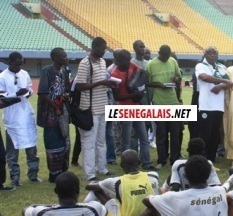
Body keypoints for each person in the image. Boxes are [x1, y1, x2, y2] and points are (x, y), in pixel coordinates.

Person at [108, 155, 231, 216]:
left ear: (186, 176)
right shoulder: (220, 191)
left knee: (154, 209)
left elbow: (146, 201)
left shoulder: (176, 197)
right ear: (209, 174)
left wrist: (168, 206)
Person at [84, 150, 159, 216]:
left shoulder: (116, 182)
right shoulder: (153, 176)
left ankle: (84, 213)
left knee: (96, 190)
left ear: (122, 165)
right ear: (139, 163)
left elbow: (88, 186)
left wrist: (98, 183)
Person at [76, 37, 115, 180]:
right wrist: (101, 82)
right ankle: (90, 174)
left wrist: (108, 83)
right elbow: (80, 86)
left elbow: (100, 83)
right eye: (102, 48)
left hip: (102, 107)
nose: (104, 51)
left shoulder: (103, 62)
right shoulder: (85, 63)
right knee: (89, 143)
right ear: (94, 47)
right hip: (89, 110)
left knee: (100, 142)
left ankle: (102, 168)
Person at [0, 52, 40, 187]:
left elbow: (30, 89)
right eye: (17, 64)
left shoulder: (24, 73)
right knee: (12, 153)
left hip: (26, 115)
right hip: (12, 119)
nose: (19, 67)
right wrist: (16, 94)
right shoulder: (2, 77)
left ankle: (33, 175)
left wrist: (27, 93)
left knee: (31, 148)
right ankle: (15, 178)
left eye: (21, 64)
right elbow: (2, 98)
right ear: (10, 63)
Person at [111, 49, 152, 170]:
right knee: (126, 141)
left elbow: (142, 72)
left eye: (129, 59)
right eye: (126, 60)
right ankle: (127, 165)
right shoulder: (114, 74)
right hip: (125, 109)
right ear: (119, 60)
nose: (129, 62)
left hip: (137, 107)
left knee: (144, 138)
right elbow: (116, 97)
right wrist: (134, 95)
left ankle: (146, 163)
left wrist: (139, 86)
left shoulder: (132, 66)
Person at [37, 47, 71, 183]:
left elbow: (66, 89)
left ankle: (62, 171)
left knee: (64, 142)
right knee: (53, 143)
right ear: (56, 58)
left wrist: (66, 97)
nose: (66, 58)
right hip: (49, 114)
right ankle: (54, 174)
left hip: (61, 113)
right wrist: (54, 107)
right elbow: (42, 93)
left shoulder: (63, 72)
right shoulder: (47, 71)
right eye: (63, 56)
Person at [146, 45, 182, 169]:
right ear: (159, 53)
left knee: (175, 134)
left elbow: (179, 78)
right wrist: (159, 85)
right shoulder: (151, 64)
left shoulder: (173, 61)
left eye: (168, 56)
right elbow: (146, 82)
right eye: (164, 56)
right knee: (161, 134)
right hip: (159, 103)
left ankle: (175, 160)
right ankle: (162, 160)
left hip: (173, 102)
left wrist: (176, 79)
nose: (166, 58)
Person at [196, 47, 233, 163]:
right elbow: (204, 77)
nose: (212, 55)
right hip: (206, 106)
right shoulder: (201, 66)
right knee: (205, 133)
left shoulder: (221, 67)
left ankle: (212, 157)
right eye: (209, 53)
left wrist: (220, 86)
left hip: (218, 106)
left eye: (215, 53)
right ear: (205, 55)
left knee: (215, 133)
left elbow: (230, 83)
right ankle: (202, 158)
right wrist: (224, 82)